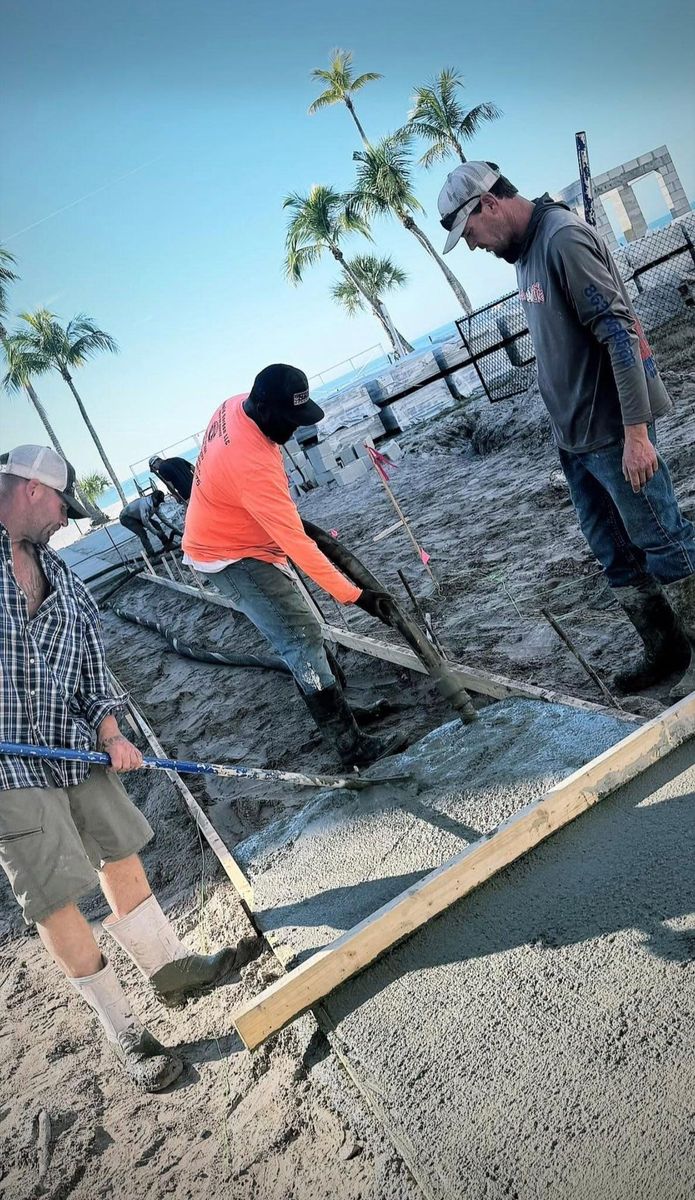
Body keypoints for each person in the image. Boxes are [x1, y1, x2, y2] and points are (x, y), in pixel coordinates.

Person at [0, 446, 258, 1092]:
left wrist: (111, 731)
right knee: (55, 895)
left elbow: (92, 664)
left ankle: (173, 972)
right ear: (31, 490)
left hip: (72, 742)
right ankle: (126, 1033)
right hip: (8, 766)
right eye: (62, 504)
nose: (66, 518)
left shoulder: (62, 577)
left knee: (120, 848)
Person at [438, 161, 695, 698]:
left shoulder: (562, 239)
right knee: (615, 553)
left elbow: (619, 333)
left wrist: (637, 434)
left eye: (471, 233)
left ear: (488, 204)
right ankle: (665, 649)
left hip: (614, 431)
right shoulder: (525, 254)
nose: (475, 246)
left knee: (663, 538)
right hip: (575, 440)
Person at [182, 364, 408, 766]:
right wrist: (356, 596)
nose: (294, 428)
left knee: (302, 630)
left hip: (231, 531)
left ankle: (344, 713)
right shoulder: (252, 464)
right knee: (300, 636)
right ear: (263, 408)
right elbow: (298, 547)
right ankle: (351, 748)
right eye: (288, 420)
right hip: (230, 556)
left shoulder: (234, 406)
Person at [118, 490, 180, 556]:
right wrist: (156, 532)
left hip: (137, 515)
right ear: (154, 498)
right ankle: (151, 554)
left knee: (156, 524)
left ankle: (167, 544)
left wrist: (175, 528)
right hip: (126, 517)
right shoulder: (144, 505)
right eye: (158, 501)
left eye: (160, 502)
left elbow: (164, 519)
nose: (159, 503)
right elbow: (145, 522)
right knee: (142, 533)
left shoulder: (156, 505)